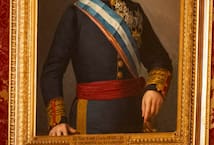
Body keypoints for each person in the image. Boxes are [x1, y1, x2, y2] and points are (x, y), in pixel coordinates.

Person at [40, 0, 172, 135]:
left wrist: (154, 89)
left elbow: (160, 61)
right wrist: (58, 121)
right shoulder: (76, 13)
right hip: (90, 118)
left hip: (132, 116)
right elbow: (52, 72)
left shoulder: (134, 11)